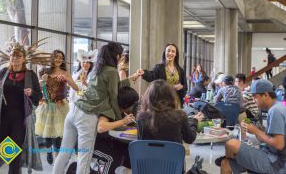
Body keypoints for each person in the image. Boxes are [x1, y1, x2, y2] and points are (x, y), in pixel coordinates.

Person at [53, 42, 140, 174]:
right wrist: (119, 120)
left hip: (74, 111)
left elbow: (112, 85)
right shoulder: (111, 71)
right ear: (116, 55)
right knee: (85, 159)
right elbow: (113, 96)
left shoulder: (97, 68)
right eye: (121, 55)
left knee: (64, 153)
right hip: (87, 116)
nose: (121, 57)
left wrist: (131, 78)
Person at [0, 39, 47, 174]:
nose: (15, 58)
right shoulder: (3, 73)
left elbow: (38, 96)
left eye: (18, 56)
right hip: (3, 119)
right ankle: (15, 168)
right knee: (5, 149)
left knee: (16, 149)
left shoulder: (30, 75)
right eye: (13, 55)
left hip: (21, 119)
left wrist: (31, 93)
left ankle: (14, 170)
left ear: (24, 58)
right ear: (10, 57)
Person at [220, 79, 286, 174]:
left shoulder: (276, 110)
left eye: (255, 97)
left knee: (231, 144)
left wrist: (256, 131)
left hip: (276, 163)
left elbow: (279, 144)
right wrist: (256, 131)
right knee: (226, 163)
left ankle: (235, 158)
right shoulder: (278, 107)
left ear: (266, 95)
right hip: (270, 156)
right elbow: (271, 138)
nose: (254, 100)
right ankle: (233, 159)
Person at [35, 50, 79, 165]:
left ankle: (57, 162)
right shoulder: (43, 71)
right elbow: (38, 88)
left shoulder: (65, 72)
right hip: (47, 107)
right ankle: (49, 151)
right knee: (47, 137)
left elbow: (76, 88)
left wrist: (67, 79)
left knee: (58, 136)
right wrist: (42, 81)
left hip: (61, 107)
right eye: (56, 57)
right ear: (52, 58)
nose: (58, 59)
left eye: (61, 57)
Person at [137, 79, 203, 144]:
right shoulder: (180, 115)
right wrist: (195, 121)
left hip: (147, 154)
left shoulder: (141, 117)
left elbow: (140, 141)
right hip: (172, 154)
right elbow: (190, 139)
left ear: (149, 96)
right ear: (171, 96)